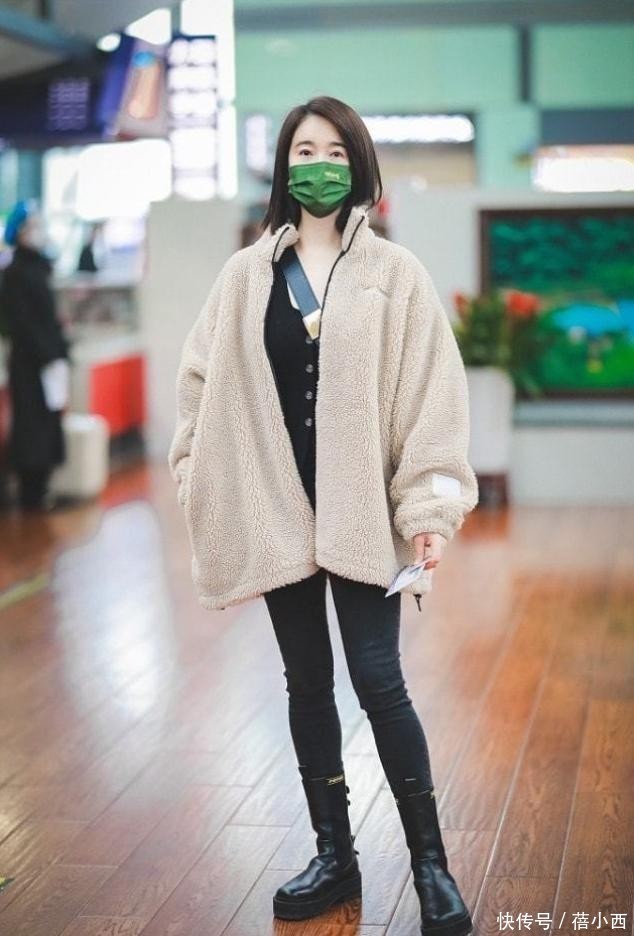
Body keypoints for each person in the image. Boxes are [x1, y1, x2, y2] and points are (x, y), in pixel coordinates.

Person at [168, 96, 478, 935]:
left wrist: (428, 507)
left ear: (359, 166)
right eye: (304, 151)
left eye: (335, 152)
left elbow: (431, 400)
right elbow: (200, 384)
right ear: (283, 167)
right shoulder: (245, 277)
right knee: (306, 683)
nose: (319, 166)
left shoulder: (394, 275)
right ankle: (334, 855)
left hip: (362, 516)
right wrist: (197, 475)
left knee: (379, 681)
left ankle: (431, 866)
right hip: (275, 514)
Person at [0, 199, 70, 511]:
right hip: (29, 365)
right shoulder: (15, 272)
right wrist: (48, 353)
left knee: (46, 426)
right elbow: (21, 322)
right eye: (33, 225)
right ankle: (31, 495)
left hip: (46, 362)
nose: (39, 231)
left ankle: (41, 490)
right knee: (31, 429)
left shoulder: (38, 268)